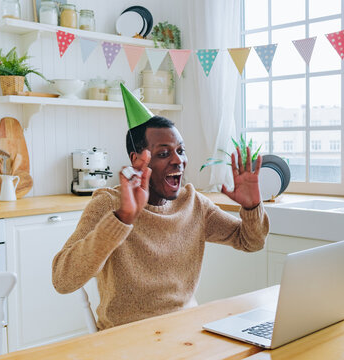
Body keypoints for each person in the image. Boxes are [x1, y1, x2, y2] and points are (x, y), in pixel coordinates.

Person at [52, 85, 269, 331]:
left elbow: (252, 241)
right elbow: (62, 279)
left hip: (187, 330)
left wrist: (252, 207)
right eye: (164, 153)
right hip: (127, 339)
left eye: (181, 150)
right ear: (137, 160)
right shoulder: (109, 204)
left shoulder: (193, 204)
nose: (178, 160)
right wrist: (121, 219)